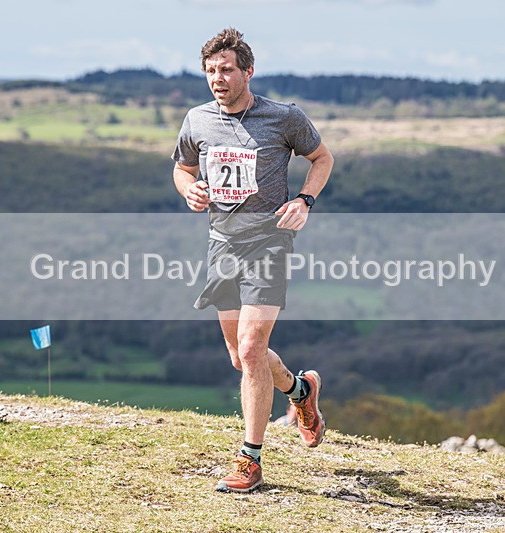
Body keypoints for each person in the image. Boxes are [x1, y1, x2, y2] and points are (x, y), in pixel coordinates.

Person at [171, 28, 334, 493]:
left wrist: (304, 200)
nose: (217, 79)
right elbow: (181, 167)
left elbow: (322, 158)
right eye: (210, 72)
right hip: (222, 244)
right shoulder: (197, 120)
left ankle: (250, 460)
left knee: (250, 347)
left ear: (248, 71)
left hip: (270, 243)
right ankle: (302, 392)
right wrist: (190, 189)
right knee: (242, 358)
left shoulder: (283, 117)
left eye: (226, 70)